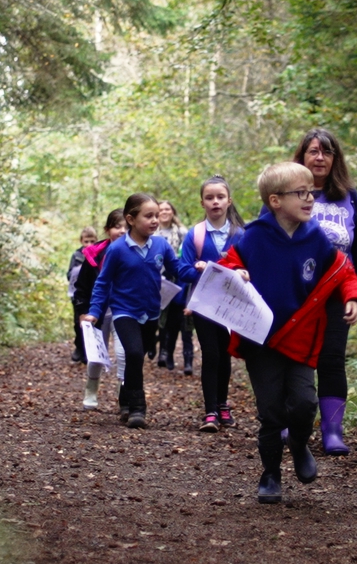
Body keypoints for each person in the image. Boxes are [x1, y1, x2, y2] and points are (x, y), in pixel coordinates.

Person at [217, 162, 357, 503]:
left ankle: (298, 444)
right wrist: (237, 270)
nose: (310, 198)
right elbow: (227, 264)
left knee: (304, 402)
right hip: (261, 340)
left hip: (301, 338)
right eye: (300, 193)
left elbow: (344, 272)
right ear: (275, 201)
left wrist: (354, 297)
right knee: (270, 412)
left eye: (310, 192)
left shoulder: (315, 236)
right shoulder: (253, 236)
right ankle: (270, 474)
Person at [294, 128, 357, 456]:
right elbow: (263, 237)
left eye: (327, 152)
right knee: (296, 358)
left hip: (337, 290)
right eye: (313, 151)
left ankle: (332, 430)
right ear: (302, 156)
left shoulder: (348, 196)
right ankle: (291, 424)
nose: (320, 157)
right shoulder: (288, 192)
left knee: (332, 358)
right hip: (297, 293)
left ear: (335, 159)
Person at [83, 194, 174, 429]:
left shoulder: (162, 245)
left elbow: (179, 270)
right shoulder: (118, 249)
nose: (155, 220)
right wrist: (94, 311)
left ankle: (125, 399)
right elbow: (103, 283)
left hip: (151, 313)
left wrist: (203, 271)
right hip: (124, 311)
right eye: (149, 216)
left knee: (137, 359)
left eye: (156, 216)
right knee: (133, 353)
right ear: (131, 219)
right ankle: (137, 408)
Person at [177, 175, 247, 432]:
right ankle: (210, 411)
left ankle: (223, 404)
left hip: (231, 305)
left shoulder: (241, 234)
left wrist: (240, 271)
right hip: (204, 304)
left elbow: (250, 267)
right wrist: (202, 270)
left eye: (220, 197)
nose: (215, 202)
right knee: (211, 354)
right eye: (210, 198)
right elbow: (182, 270)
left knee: (225, 353)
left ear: (229, 201)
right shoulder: (194, 235)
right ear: (202, 202)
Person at [76, 209, 125, 409]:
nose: (122, 231)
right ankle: (91, 389)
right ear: (107, 230)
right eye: (117, 227)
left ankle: (125, 395)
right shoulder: (94, 255)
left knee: (123, 353)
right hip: (97, 312)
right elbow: (82, 287)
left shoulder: (136, 251)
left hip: (123, 310)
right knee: (96, 354)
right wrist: (82, 312)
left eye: (126, 227)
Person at [155, 200, 192, 373]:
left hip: (176, 278)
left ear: (172, 211)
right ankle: (158, 349)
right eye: (160, 209)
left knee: (173, 317)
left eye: (167, 209)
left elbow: (187, 254)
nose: (164, 212)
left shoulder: (182, 232)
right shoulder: (152, 231)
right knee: (159, 316)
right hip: (155, 278)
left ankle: (167, 354)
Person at [66, 227, 96, 364]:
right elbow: (69, 274)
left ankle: (89, 352)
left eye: (92, 241)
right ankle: (79, 347)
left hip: (94, 294)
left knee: (92, 323)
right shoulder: (77, 255)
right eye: (86, 241)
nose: (89, 244)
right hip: (77, 294)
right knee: (78, 323)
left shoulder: (98, 254)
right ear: (81, 241)